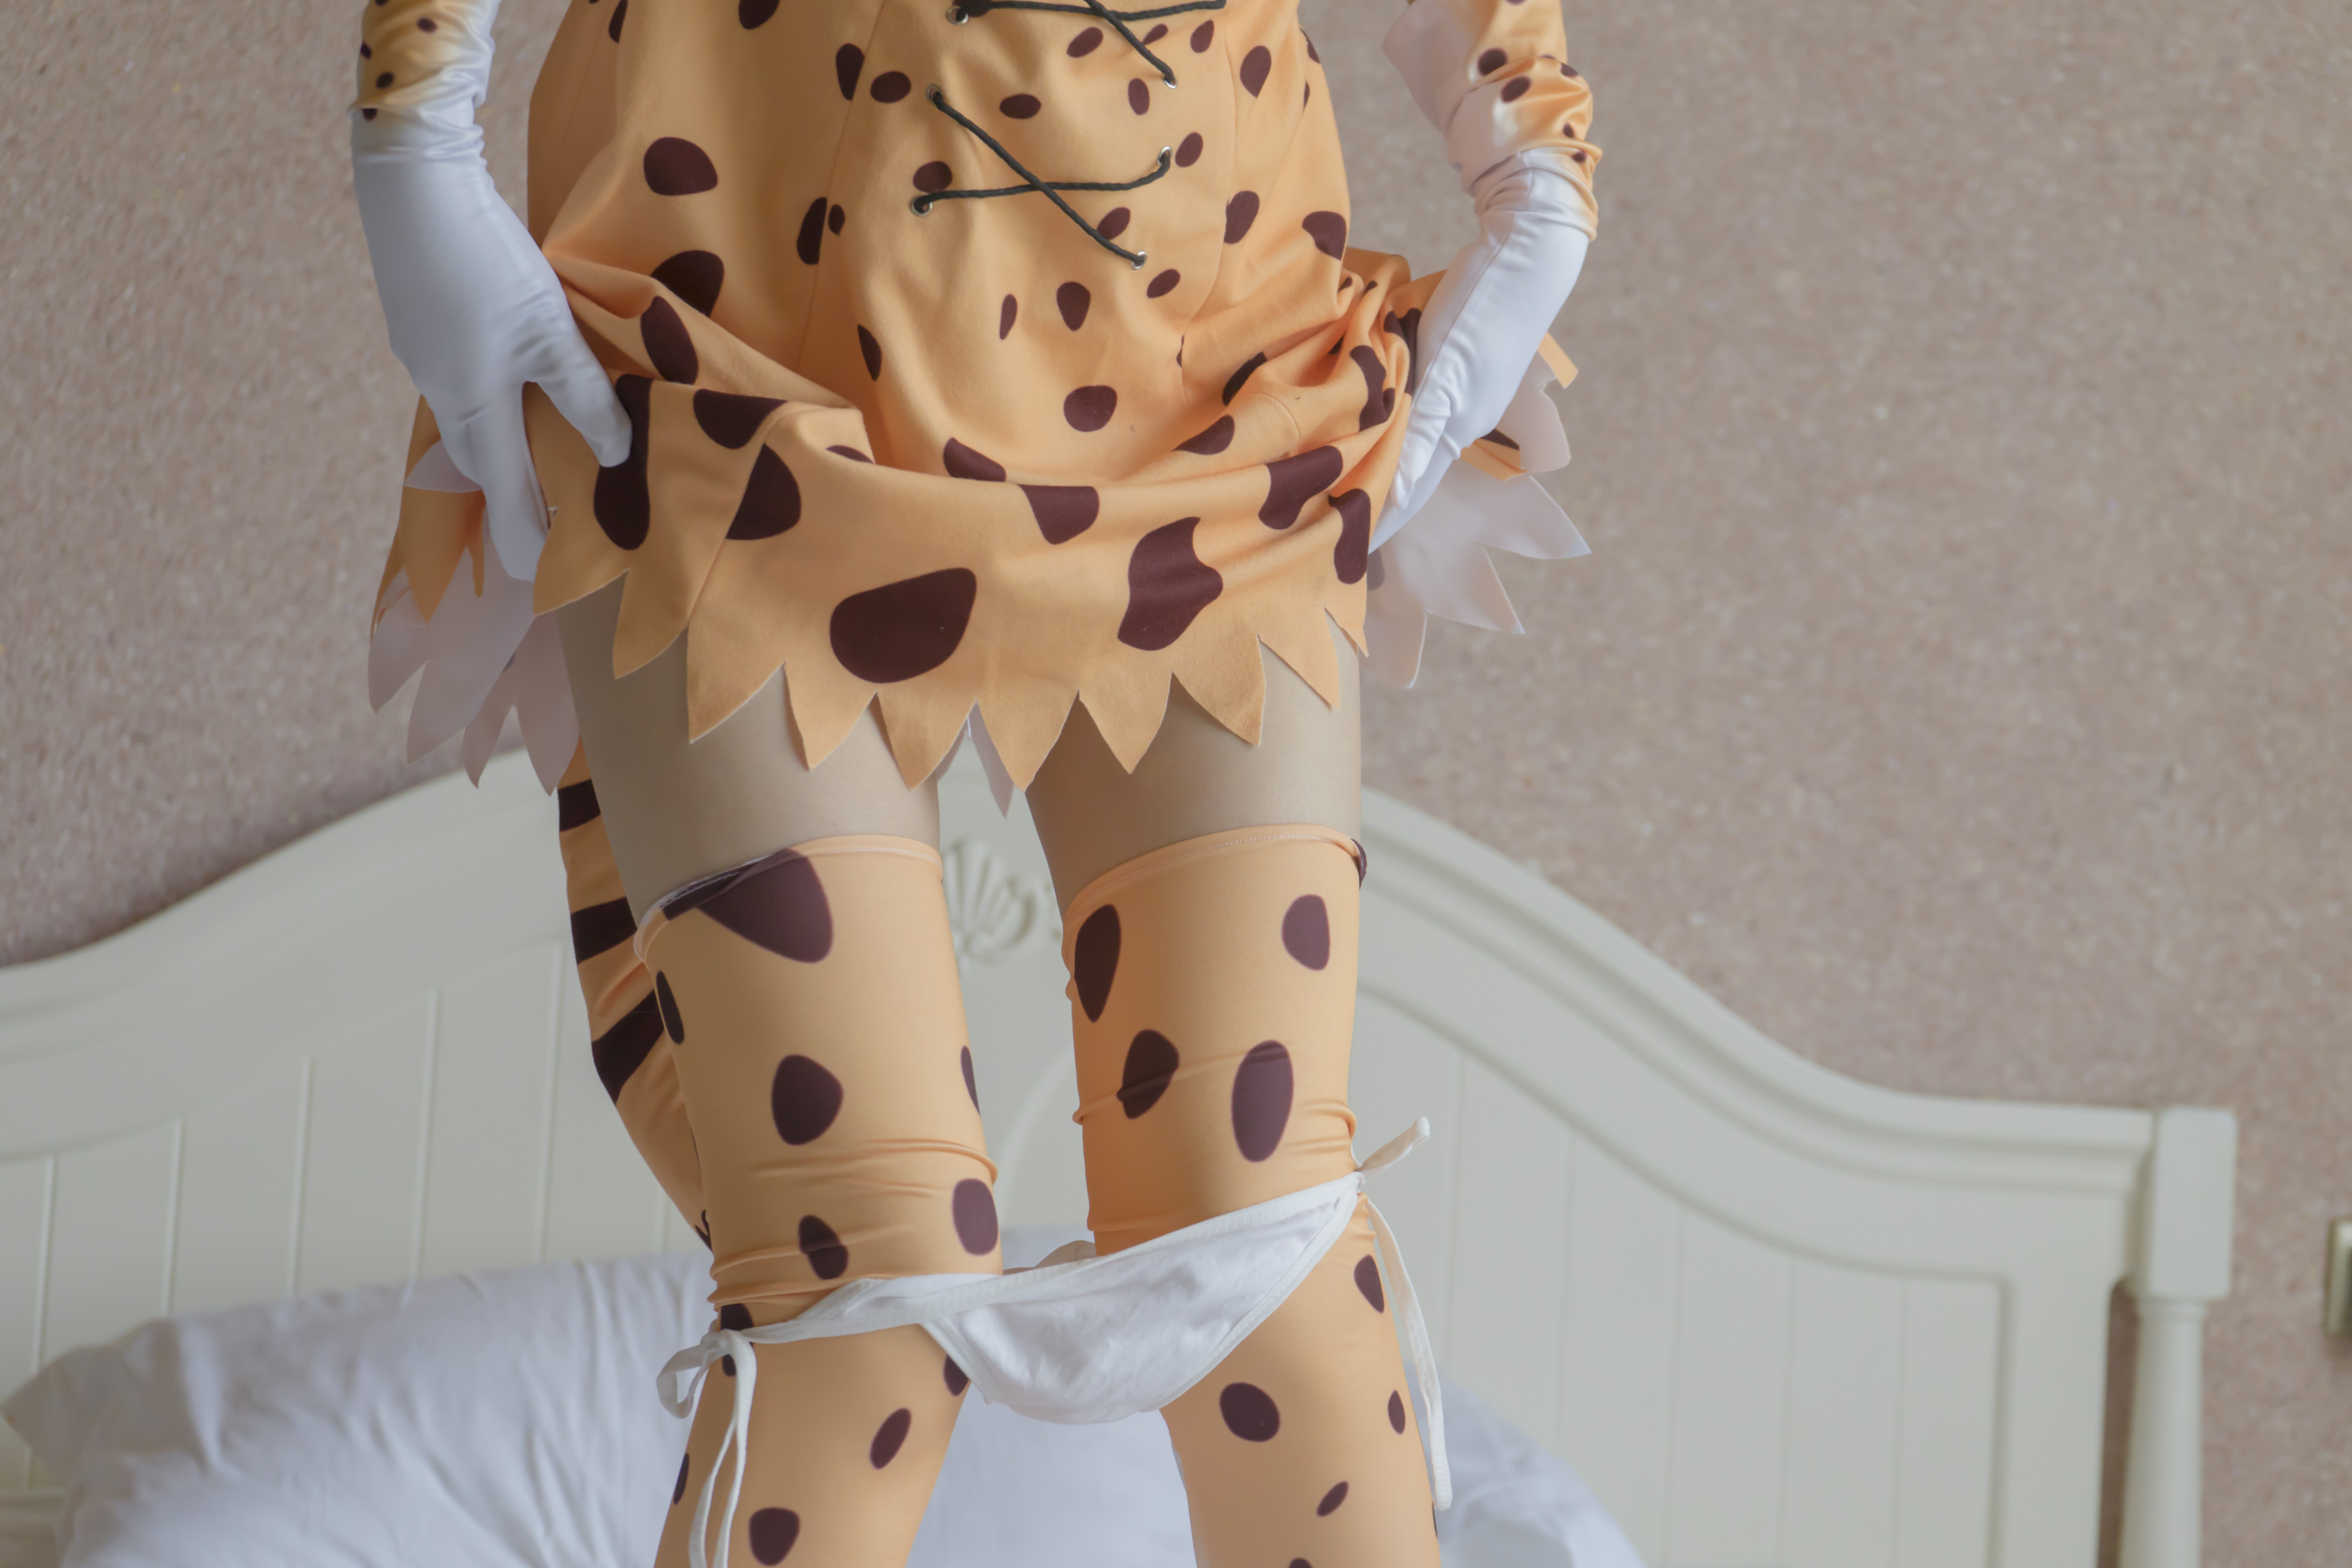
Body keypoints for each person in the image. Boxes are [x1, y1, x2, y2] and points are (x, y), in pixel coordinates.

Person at [350, 2, 1597, 1564]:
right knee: (862, 1305)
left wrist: (1536, 159)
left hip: (1216, 349)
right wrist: (415, 119)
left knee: (1264, 1258)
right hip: (728, 341)